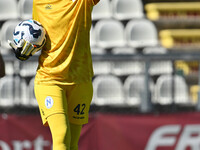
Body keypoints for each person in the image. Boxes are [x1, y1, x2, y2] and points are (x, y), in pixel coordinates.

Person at [9, 0, 99, 149]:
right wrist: (25, 50)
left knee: (72, 144)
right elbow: (40, 36)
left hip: (81, 80)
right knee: (61, 135)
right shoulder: (39, 2)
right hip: (49, 79)